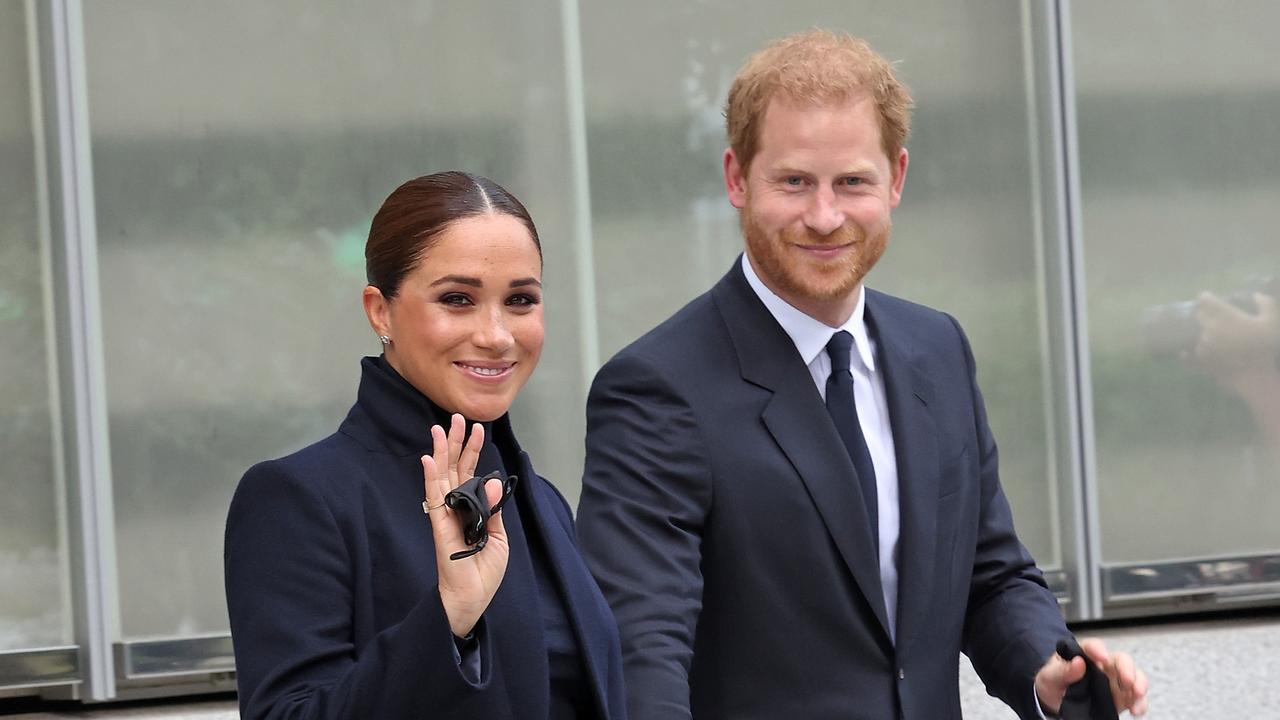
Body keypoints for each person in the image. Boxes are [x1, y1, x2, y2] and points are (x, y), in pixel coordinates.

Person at [576, 30, 1147, 719]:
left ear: (896, 178)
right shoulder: (655, 390)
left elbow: (990, 578)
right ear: (736, 178)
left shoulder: (936, 349)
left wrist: (1051, 670)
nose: (824, 216)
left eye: (852, 182)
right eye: (794, 182)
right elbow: (641, 650)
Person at [225, 171, 625, 719]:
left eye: (521, 299)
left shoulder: (544, 502)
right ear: (379, 310)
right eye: (458, 299)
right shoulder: (298, 499)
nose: (497, 334)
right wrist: (450, 617)